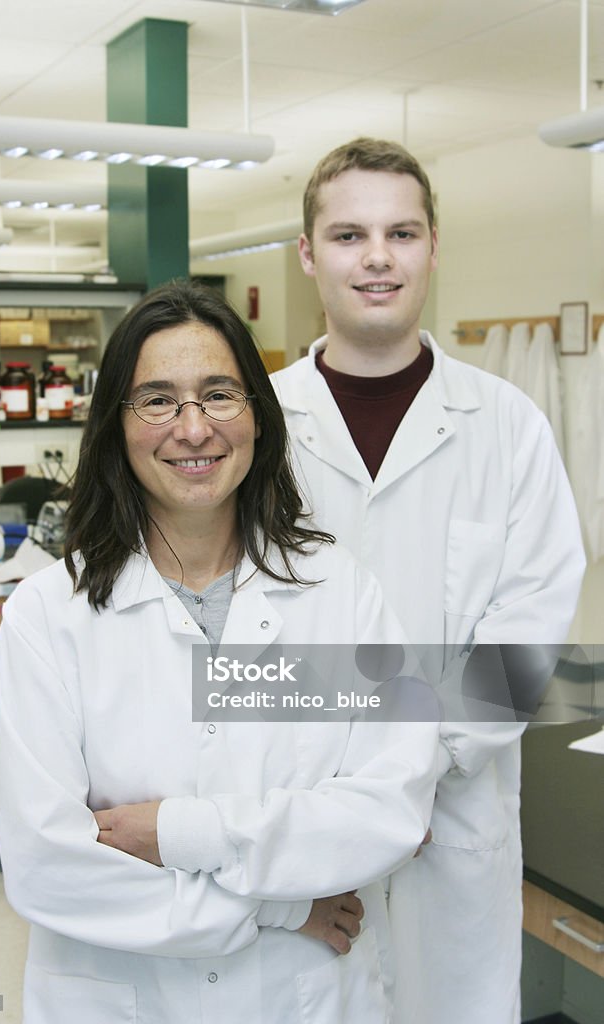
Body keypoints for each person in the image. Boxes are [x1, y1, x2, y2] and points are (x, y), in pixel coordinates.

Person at [0, 280, 439, 1024]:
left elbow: (387, 809)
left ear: (257, 418)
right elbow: (50, 868)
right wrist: (275, 906)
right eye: (157, 399)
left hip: (305, 994)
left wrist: (174, 832)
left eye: (219, 394)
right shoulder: (48, 616)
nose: (192, 429)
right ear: (117, 424)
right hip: (125, 995)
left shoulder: (339, 594)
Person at [272, 139, 586, 1024]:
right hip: (298, 824)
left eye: (400, 231)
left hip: (450, 824)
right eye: (348, 234)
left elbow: (526, 626)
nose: (377, 256)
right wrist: (345, 807)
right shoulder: (254, 427)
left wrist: (408, 778)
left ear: (432, 246)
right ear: (308, 254)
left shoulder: (507, 427)